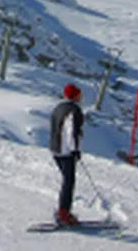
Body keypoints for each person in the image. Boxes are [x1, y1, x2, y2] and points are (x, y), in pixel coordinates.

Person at [48, 83, 84, 226]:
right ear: (74, 96)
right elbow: (71, 131)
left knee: (66, 180)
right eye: (79, 94)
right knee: (69, 182)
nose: (81, 97)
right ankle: (64, 214)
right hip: (66, 151)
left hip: (55, 149)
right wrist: (74, 150)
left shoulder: (58, 107)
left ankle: (63, 211)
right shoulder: (73, 110)